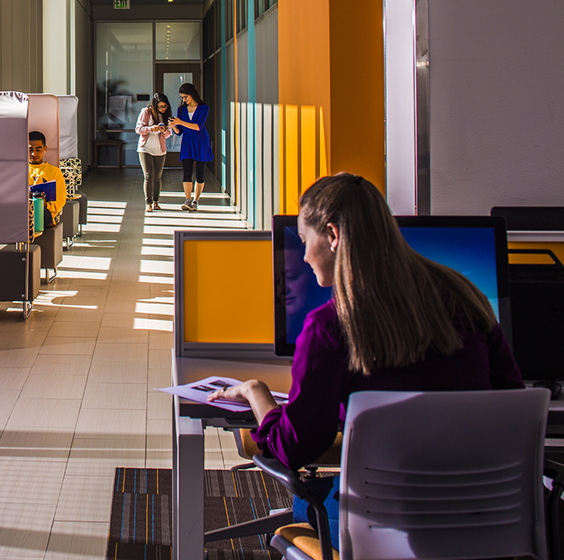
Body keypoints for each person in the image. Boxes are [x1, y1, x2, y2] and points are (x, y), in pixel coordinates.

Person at [207, 173, 524, 549]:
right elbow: (512, 404)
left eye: (306, 241)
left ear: (333, 235)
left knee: (303, 507)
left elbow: (294, 448)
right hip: (488, 519)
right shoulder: (466, 295)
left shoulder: (331, 326)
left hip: (387, 529)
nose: (305, 256)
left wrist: (257, 393)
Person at [168, 83, 213, 212]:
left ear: (192, 94)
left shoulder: (204, 107)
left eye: (186, 97)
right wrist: (174, 126)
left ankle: (196, 201)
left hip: (201, 142)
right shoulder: (181, 110)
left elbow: (199, 126)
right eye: (182, 97)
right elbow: (180, 131)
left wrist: (180, 122)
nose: (184, 100)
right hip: (187, 142)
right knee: (187, 172)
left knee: (200, 173)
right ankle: (187, 199)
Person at [135, 93, 174, 212]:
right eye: (160, 107)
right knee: (148, 176)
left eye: (165, 106)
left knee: (157, 177)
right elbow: (138, 129)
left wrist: (163, 130)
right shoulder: (145, 112)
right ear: (154, 105)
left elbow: (169, 134)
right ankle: (149, 203)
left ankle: (156, 201)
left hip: (160, 150)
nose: (163, 109)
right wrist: (151, 129)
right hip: (145, 148)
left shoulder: (166, 115)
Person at [27, 131, 66, 229]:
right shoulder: (20, 170)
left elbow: (61, 199)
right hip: (23, 210)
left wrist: (46, 205)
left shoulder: (54, 172)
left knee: (39, 208)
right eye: (30, 149)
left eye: (38, 150)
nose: (33, 153)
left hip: (44, 213)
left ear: (45, 149)